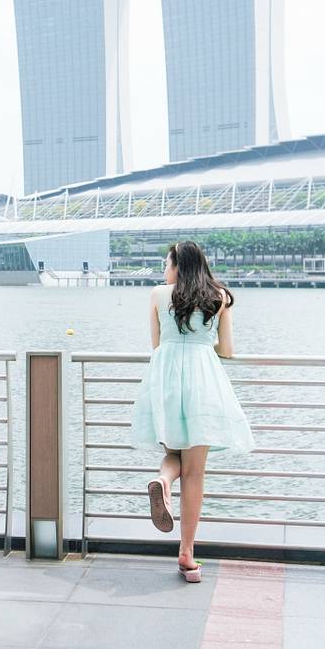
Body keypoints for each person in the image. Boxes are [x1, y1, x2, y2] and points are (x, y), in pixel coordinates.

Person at [129, 239, 255, 582]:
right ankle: (186, 553)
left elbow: (157, 344)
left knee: (173, 454)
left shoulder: (158, 295)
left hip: (166, 381)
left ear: (178, 266)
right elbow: (227, 350)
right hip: (203, 382)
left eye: (166, 263)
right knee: (196, 472)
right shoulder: (220, 297)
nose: (163, 270)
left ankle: (164, 479)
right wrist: (203, 337)